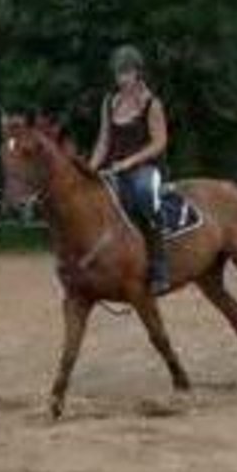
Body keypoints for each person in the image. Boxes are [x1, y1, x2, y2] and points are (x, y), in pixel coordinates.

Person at [90, 45, 170, 294]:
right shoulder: (109, 103)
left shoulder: (152, 104)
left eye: (126, 73)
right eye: (118, 74)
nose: (121, 79)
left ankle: (159, 266)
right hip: (113, 168)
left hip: (145, 168)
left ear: (137, 73)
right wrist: (90, 169)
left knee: (144, 192)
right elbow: (104, 141)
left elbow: (159, 142)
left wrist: (129, 162)